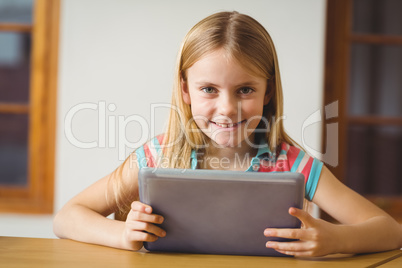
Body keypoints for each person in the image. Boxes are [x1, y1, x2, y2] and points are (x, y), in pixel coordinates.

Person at [53, 11, 402, 257]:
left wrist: (336, 239)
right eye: (208, 89)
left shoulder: (293, 165)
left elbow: (390, 230)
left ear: (268, 93)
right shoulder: (158, 156)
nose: (227, 109)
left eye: (245, 90)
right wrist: (123, 234)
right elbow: (67, 216)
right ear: (186, 91)